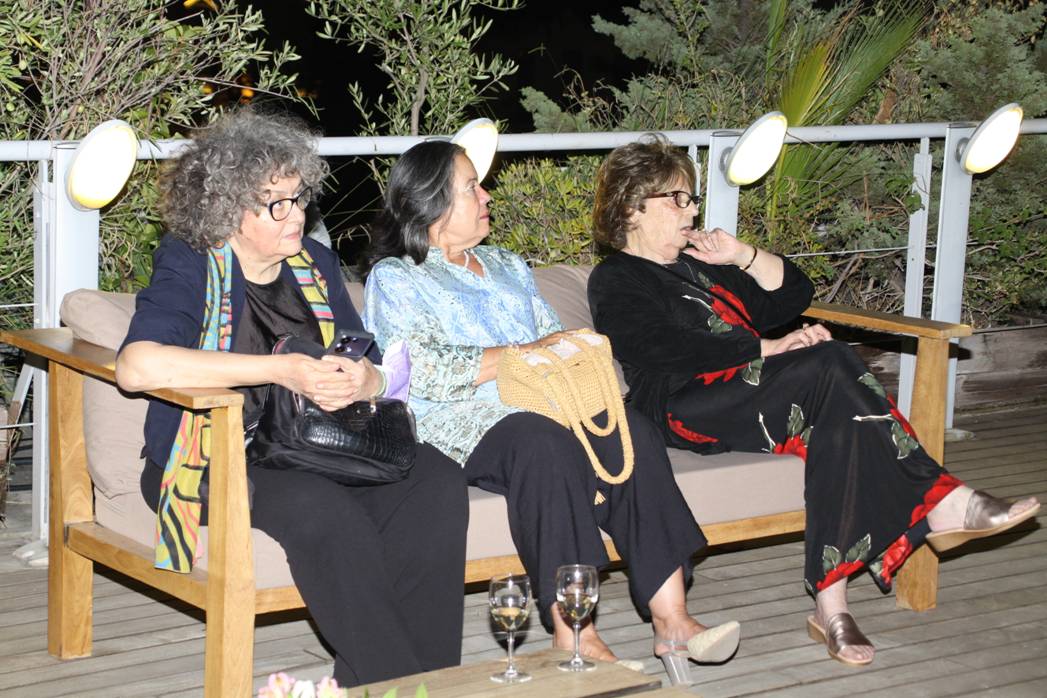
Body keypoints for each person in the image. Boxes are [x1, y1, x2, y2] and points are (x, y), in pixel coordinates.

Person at [587, 134, 1041, 667]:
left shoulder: (701, 266)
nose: (692, 211)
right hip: (683, 403)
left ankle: (832, 607)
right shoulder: (616, 277)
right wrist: (769, 348)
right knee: (830, 361)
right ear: (632, 208)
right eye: (678, 199)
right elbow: (655, 346)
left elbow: (792, 297)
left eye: (692, 198)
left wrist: (742, 255)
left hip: (752, 389)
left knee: (835, 417)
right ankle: (941, 501)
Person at [362, 139, 740, 686]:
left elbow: (552, 335)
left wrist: (567, 350)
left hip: (547, 403)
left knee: (631, 430)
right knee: (543, 443)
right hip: (462, 419)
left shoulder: (507, 264)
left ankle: (673, 619)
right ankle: (574, 634)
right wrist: (520, 354)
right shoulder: (399, 277)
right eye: (471, 188)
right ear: (431, 202)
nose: (486, 196)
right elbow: (418, 369)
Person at [114, 110, 469, 687]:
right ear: (226, 209)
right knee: (325, 511)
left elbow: (370, 360)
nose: (297, 215)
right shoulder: (190, 262)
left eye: (299, 197)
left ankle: (409, 680)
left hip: (314, 444)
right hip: (212, 455)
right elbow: (137, 366)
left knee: (435, 480)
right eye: (275, 204)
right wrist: (281, 370)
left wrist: (365, 379)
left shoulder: (315, 264)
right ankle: (404, 685)